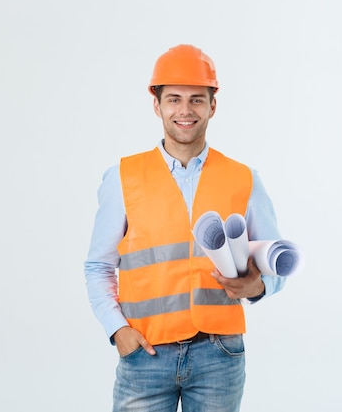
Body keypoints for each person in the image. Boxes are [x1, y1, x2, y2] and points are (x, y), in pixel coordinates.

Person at [84, 44, 288, 412]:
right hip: (145, 353)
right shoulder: (122, 178)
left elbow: (277, 261)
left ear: (213, 105)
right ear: (156, 105)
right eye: (174, 99)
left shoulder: (244, 179)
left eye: (196, 99)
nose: (185, 110)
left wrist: (257, 286)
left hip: (219, 355)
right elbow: (98, 265)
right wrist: (118, 330)